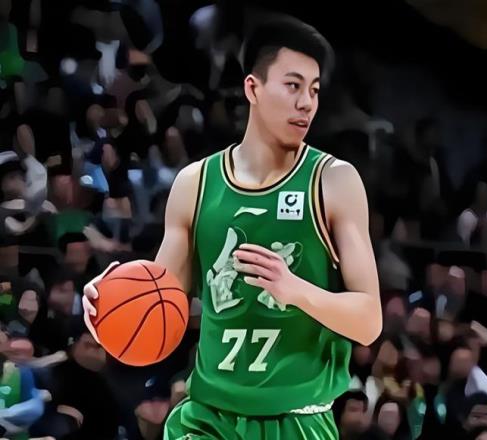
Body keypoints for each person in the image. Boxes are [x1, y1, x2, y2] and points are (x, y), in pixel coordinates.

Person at [83, 16, 382, 440]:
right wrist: (111, 305)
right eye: (293, 86)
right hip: (207, 418)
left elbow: (369, 321)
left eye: (314, 90)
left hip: (296, 420)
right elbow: (161, 306)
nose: (306, 103)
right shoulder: (195, 183)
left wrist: (296, 290)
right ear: (253, 88)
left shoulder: (333, 181)